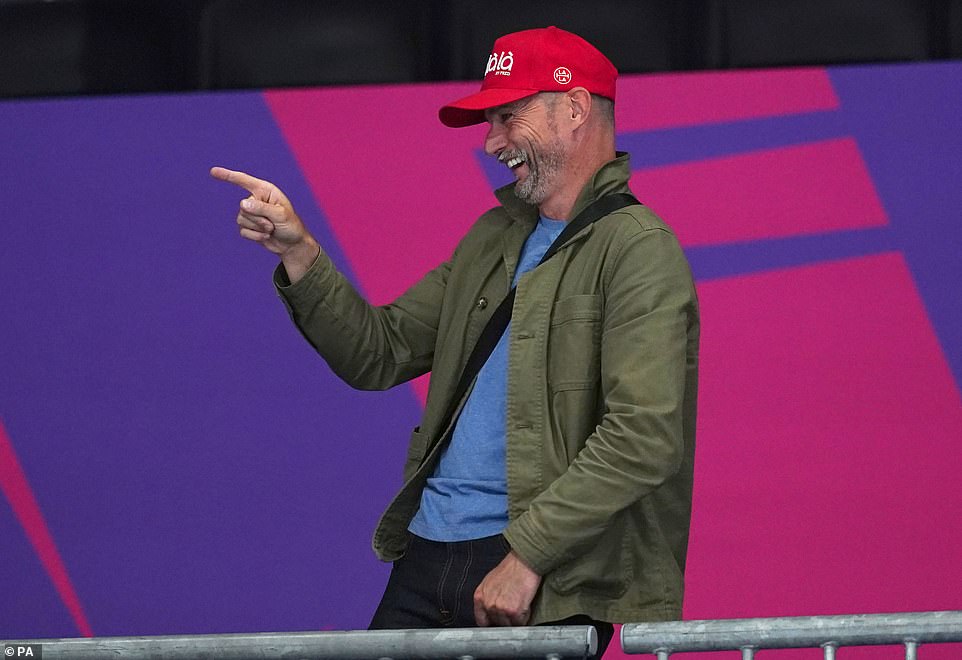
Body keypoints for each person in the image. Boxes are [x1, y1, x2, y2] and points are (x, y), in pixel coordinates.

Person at [212, 26, 698, 658]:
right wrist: (299, 251)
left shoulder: (639, 248)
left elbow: (643, 435)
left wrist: (527, 556)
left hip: (544, 575)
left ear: (575, 109)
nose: (492, 141)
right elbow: (378, 352)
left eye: (507, 115)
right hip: (427, 554)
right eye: (488, 120)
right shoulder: (493, 236)